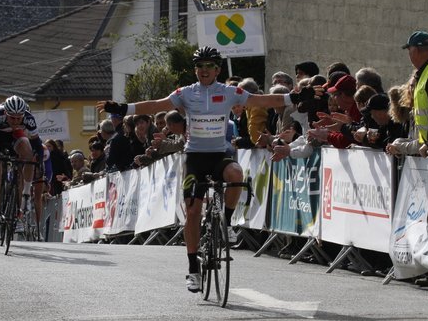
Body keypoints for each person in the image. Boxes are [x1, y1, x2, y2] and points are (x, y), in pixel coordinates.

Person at [99, 45, 309, 293]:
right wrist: (123, 108)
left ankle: (226, 222)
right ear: (195, 70)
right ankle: (193, 269)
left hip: (219, 155)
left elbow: (259, 100)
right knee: (193, 211)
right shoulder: (186, 93)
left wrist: (293, 98)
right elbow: (156, 104)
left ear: (218, 70)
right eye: (200, 66)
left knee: (236, 174)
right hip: (195, 158)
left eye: (210, 66)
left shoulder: (229, 92)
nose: (204, 70)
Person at [0, 95, 42, 240]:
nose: (15, 121)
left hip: (15, 136)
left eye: (18, 118)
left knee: (28, 153)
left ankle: (25, 195)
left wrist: (37, 161)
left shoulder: (29, 119)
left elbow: (37, 144)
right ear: (5, 113)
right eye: (12, 118)